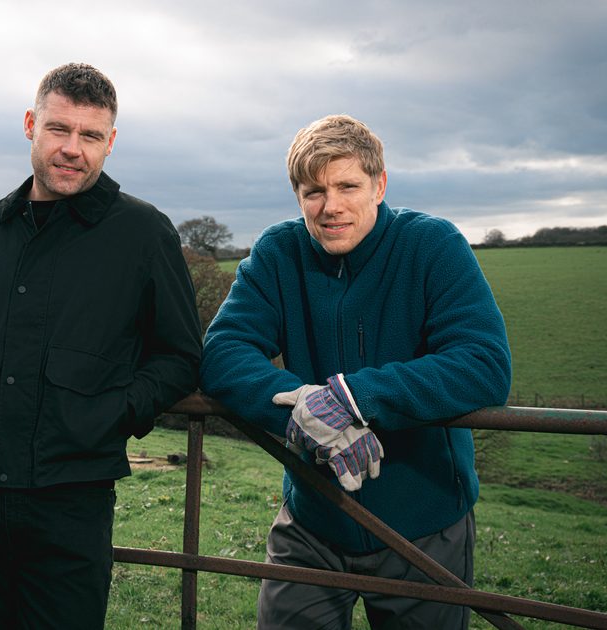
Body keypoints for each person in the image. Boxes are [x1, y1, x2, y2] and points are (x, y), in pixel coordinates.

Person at [0, 62, 202, 629]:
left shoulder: (144, 234)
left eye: (90, 135)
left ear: (110, 142)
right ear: (30, 124)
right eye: (59, 129)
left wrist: (111, 414)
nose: (73, 148)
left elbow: (181, 356)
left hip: (72, 497)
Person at [200, 114, 511, 628]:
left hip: (424, 524)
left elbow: (484, 364)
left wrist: (353, 398)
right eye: (313, 191)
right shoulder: (279, 252)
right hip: (312, 518)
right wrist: (300, 408)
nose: (331, 207)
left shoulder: (433, 245)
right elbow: (223, 351)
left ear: (380, 184)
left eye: (348, 185)